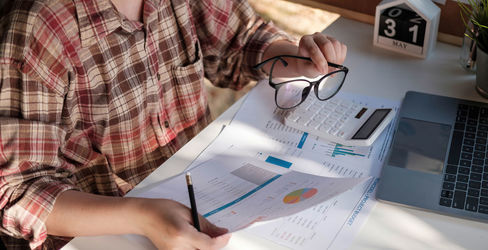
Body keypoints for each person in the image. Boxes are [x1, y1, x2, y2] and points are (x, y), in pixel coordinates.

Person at [0, 0, 347, 249]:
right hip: (107, 233)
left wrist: (294, 58)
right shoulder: (40, 27)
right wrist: (143, 216)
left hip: (206, 201)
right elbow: (19, 192)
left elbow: (243, 40)